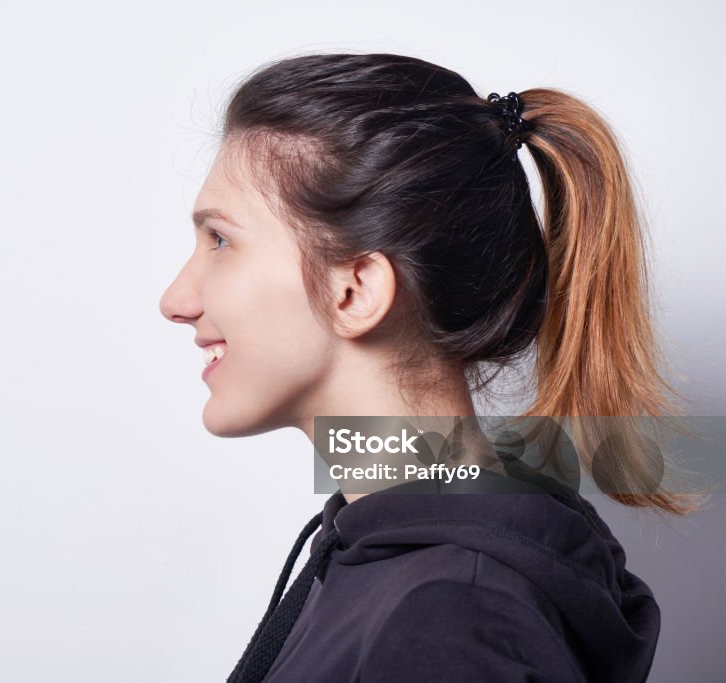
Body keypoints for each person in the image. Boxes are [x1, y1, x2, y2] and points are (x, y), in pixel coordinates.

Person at [159, 52, 704, 682]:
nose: (176, 300)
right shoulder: (390, 553)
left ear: (355, 290)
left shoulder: (450, 617)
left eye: (220, 240)